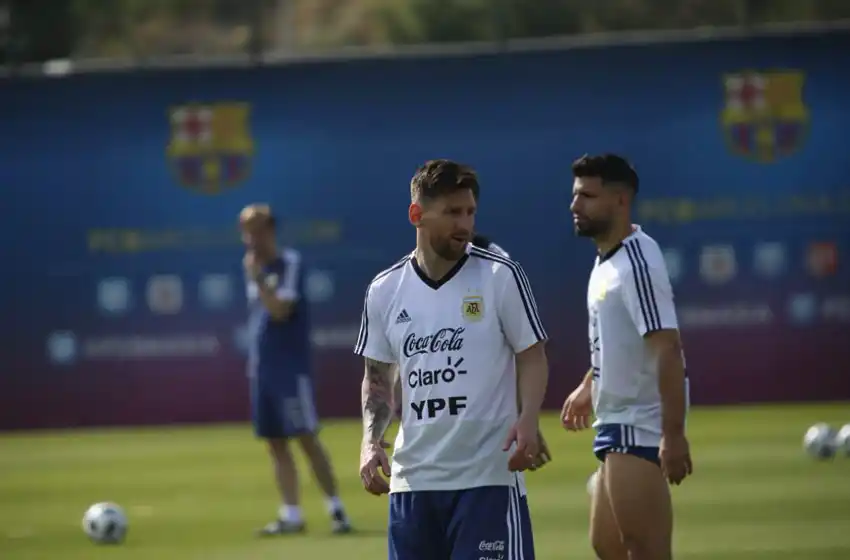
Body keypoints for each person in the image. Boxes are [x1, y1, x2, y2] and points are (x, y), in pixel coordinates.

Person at [355, 160, 549, 560]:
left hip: (487, 482)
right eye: (453, 213)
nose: (465, 224)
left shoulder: (500, 275)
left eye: (470, 212)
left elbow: (532, 355)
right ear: (417, 215)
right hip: (413, 486)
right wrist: (370, 442)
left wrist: (528, 418)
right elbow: (377, 377)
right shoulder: (384, 289)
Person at [560, 154, 692, 560]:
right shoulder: (607, 261)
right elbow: (617, 341)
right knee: (609, 545)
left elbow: (667, 347)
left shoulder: (636, 262)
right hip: (614, 425)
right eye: (575, 195)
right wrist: (589, 384)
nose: (575, 205)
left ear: (620, 200)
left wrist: (672, 434)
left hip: (639, 426)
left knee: (644, 550)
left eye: (587, 196)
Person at [239, 204, 352, 536]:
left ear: (270, 230)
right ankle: (291, 514)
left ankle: (336, 510)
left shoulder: (288, 263)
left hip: (291, 369)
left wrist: (257, 277)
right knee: (274, 441)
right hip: (263, 368)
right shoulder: (254, 266)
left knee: (306, 436)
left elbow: (279, 311)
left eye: (255, 230)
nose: (249, 239)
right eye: (245, 231)